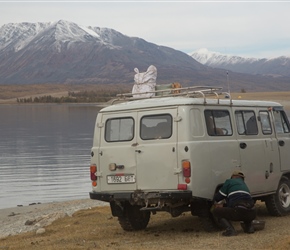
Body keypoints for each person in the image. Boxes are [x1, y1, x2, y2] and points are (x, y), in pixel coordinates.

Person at [211, 170, 256, 236]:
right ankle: (249, 228)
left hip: (238, 211)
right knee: (246, 208)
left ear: (233, 176)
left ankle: (230, 230)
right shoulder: (244, 185)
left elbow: (219, 196)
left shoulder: (229, 181)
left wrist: (214, 200)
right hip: (252, 213)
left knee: (216, 211)